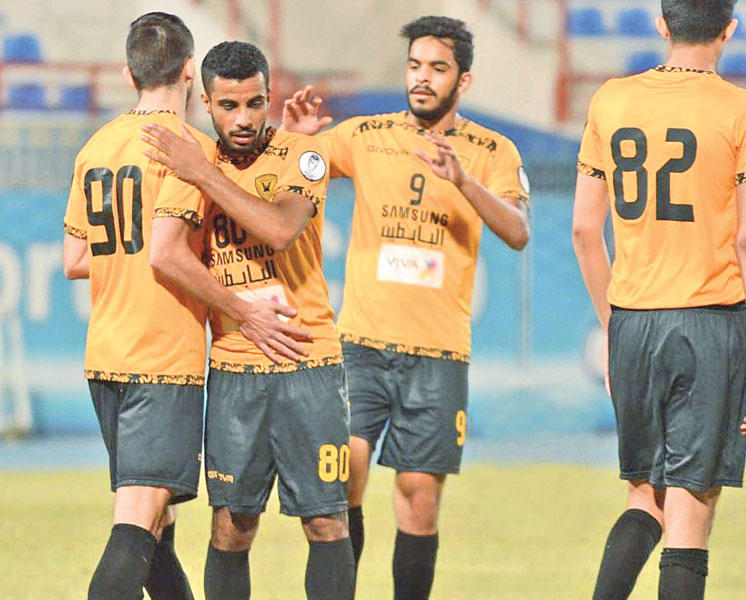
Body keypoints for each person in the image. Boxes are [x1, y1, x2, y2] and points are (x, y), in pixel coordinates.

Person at [283, 15, 530, 599]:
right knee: (343, 476)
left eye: (437, 68)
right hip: (361, 344)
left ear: (463, 81)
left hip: (437, 353)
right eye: (415, 65)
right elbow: (297, 167)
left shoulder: (493, 150)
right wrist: (293, 137)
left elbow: (519, 231)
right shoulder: (367, 135)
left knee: (419, 497)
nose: (422, 78)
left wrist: (464, 182)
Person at [62, 14, 302, 600]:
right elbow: (167, 256)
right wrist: (242, 308)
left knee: (158, 528)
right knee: (137, 523)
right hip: (160, 360)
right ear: (191, 71)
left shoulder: (96, 146)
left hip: (106, 357)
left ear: (129, 75)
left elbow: (75, 257)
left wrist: (136, 254)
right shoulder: (188, 150)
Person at [571, 1, 746, 598]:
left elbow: (585, 230)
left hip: (633, 323)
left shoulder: (611, 100)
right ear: (729, 30)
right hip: (708, 324)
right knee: (691, 510)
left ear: (663, 25)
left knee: (644, 495)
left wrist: (613, 328)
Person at [140, 41, 354, 600]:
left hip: (309, 362)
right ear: (207, 102)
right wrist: (241, 314)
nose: (243, 119)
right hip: (235, 369)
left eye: (255, 104)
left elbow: (280, 229)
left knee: (326, 522)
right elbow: (167, 253)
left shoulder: (302, 154)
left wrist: (203, 174)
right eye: (229, 106)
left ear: (269, 98)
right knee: (232, 527)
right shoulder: (189, 163)